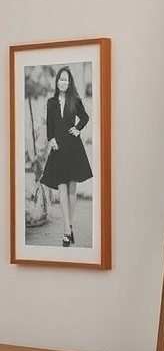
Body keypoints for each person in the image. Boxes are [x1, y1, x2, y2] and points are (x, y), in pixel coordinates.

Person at [40, 66, 93, 247]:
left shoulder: (74, 100)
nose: (63, 82)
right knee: (61, 189)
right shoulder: (51, 102)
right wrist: (51, 140)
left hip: (73, 147)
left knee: (72, 190)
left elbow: (85, 117)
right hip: (58, 148)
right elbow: (49, 127)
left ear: (69, 83)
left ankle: (68, 227)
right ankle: (67, 229)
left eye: (66, 80)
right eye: (61, 79)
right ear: (57, 82)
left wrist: (77, 129)